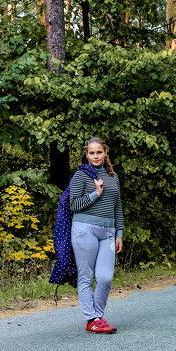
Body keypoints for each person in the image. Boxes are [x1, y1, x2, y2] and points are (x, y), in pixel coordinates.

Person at [70, 137, 124, 334]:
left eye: (99, 152)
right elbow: (73, 205)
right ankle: (92, 319)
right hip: (85, 230)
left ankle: (98, 317)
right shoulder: (81, 175)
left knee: (105, 277)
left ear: (105, 153)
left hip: (108, 232)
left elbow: (117, 206)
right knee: (85, 277)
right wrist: (96, 193)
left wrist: (119, 232)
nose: (95, 156)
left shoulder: (113, 176)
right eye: (91, 153)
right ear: (87, 155)